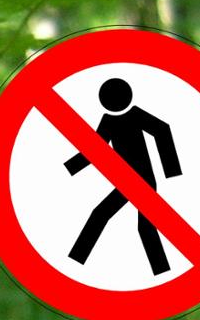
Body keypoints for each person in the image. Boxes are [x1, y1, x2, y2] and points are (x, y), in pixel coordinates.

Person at [62, 77, 182, 275]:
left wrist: (171, 171)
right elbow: (94, 150)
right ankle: (162, 271)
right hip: (126, 180)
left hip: (142, 180)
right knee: (114, 218)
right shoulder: (108, 120)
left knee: (137, 225)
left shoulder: (135, 115)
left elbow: (162, 130)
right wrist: (70, 167)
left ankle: (163, 273)